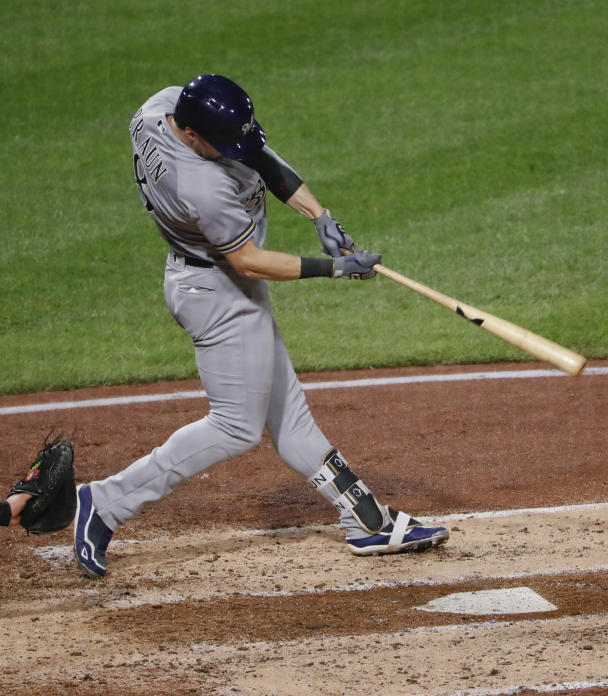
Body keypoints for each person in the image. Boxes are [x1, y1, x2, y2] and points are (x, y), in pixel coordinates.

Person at [73, 74, 449, 579]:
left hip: (219, 284)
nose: (233, 150)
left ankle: (367, 520)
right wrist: (335, 268)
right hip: (218, 292)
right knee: (235, 426)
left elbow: (256, 155)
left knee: (288, 415)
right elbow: (248, 261)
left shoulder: (160, 107)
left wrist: (318, 212)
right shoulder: (199, 187)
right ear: (189, 135)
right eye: (220, 144)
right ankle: (103, 502)